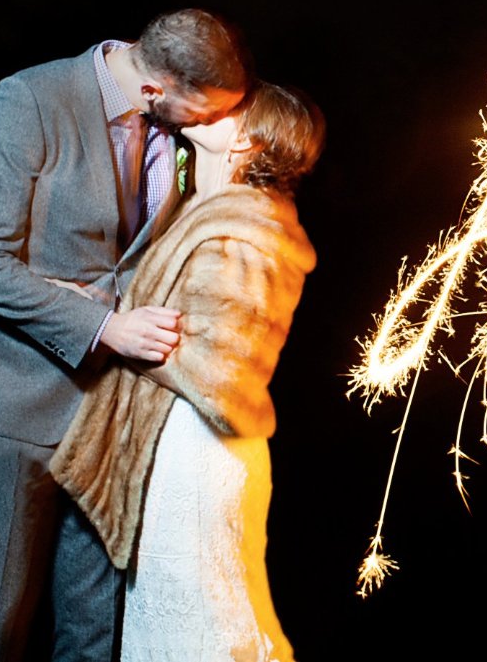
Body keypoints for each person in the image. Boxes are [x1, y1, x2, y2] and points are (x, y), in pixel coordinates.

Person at [0, 9, 250, 661]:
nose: (212, 126)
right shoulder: (29, 100)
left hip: (114, 414)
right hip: (15, 400)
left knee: (95, 634)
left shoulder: (180, 129)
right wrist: (105, 325)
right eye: (206, 114)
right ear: (155, 89)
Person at [50, 81, 324, 661]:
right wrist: (101, 312)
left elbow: (219, 371)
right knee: (171, 624)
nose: (209, 102)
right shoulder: (207, 210)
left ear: (247, 138)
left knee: (204, 625)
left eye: (232, 107)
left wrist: (106, 328)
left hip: (197, 451)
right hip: (172, 443)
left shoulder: (250, 228)